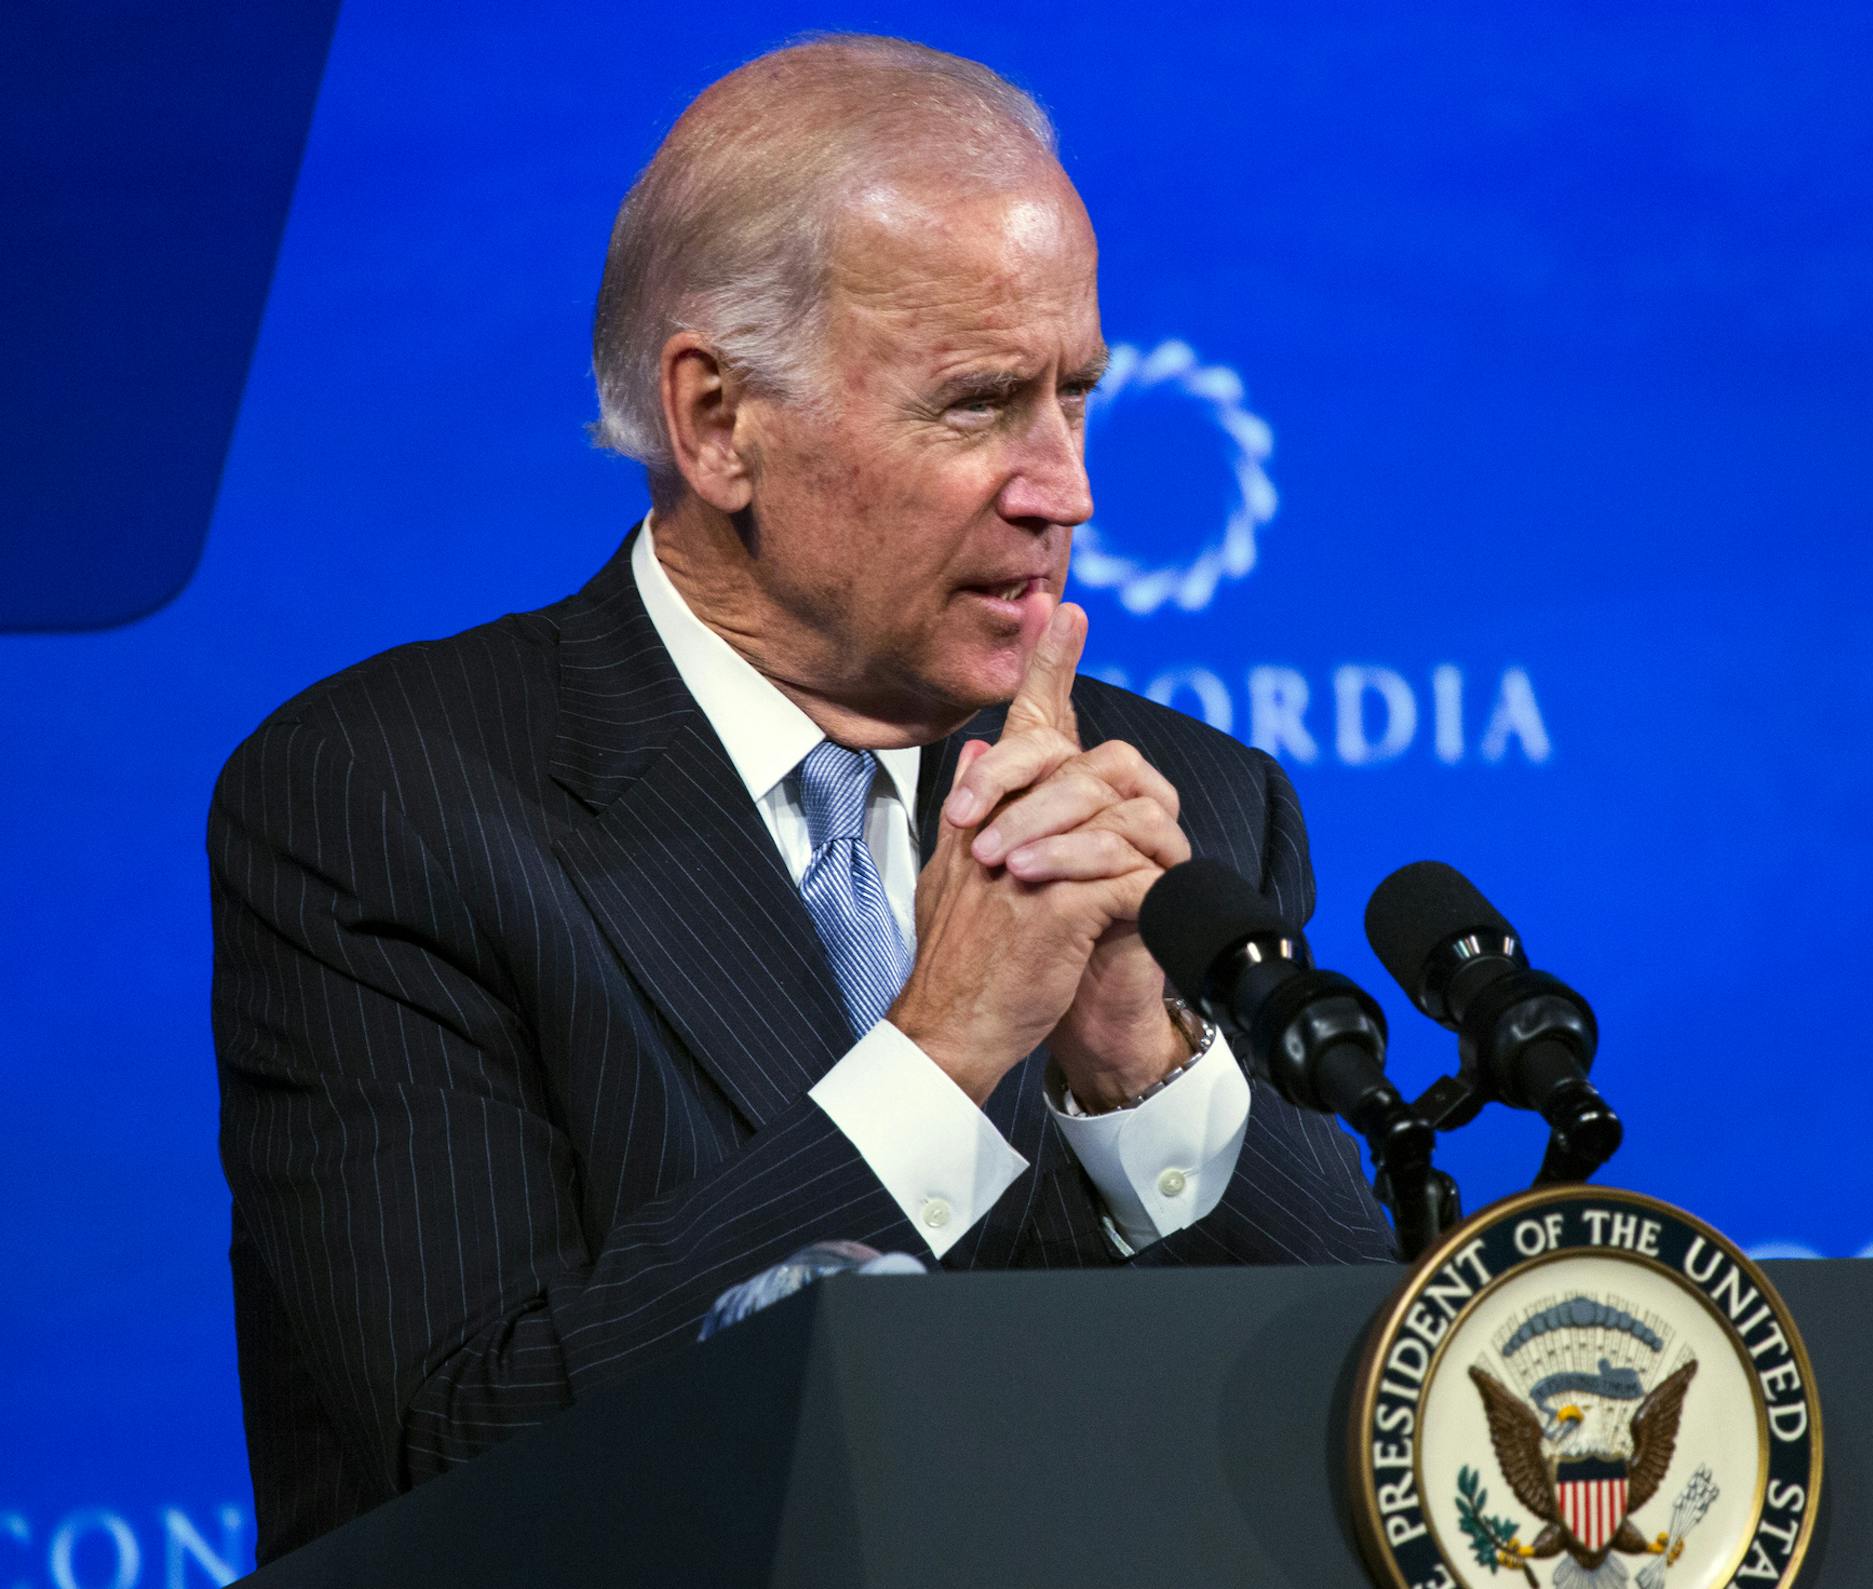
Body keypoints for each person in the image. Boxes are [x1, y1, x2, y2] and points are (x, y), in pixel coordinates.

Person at [210, 34, 1394, 1561]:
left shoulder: (1192, 811)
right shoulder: (390, 801)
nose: (1066, 488)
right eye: (977, 406)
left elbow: (1377, 1423)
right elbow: (458, 1452)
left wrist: (1140, 1070)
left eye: (1076, 397)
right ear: (715, 423)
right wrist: (945, 1049)